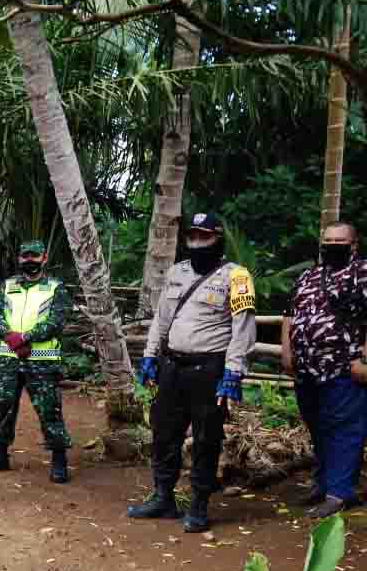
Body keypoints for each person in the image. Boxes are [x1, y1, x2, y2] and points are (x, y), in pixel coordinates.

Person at [131, 213, 256, 533]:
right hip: (172, 366)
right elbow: (161, 318)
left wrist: (233, 372)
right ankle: (163, 496)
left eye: (205, 237)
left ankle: (199, 504)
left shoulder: (237, 277)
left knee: (205, 437)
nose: (197, 242)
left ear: (218, 239)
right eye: (193, 237)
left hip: (208, 370)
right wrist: (149, 356)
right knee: (164, 432)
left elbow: (242, 328)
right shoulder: (177, 272)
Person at [283, 221, 367, 517]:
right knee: (318, 428)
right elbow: (289, 314)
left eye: (339, 240)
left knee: (344, 428)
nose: (332, 245)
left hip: (344, 367)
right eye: (328, 240)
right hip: (307, 368)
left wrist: (363, 359)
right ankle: (323, 486)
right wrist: (286, 350)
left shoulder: (362, 273)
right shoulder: (309, 275)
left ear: (353, 245)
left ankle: (339, 493)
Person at [0, 240, 74, 483]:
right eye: (25, 256)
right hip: (8, 360)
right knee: (3, 408)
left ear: (44, 258)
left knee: (49, 410)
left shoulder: (56, 288)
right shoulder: (7, 286)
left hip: (41, 361)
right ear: (19, 258)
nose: (29, 260)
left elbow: (56, 321)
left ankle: (59, 462)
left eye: (34, 256)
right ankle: (0, 456)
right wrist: (11, 338)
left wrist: (26, 338)